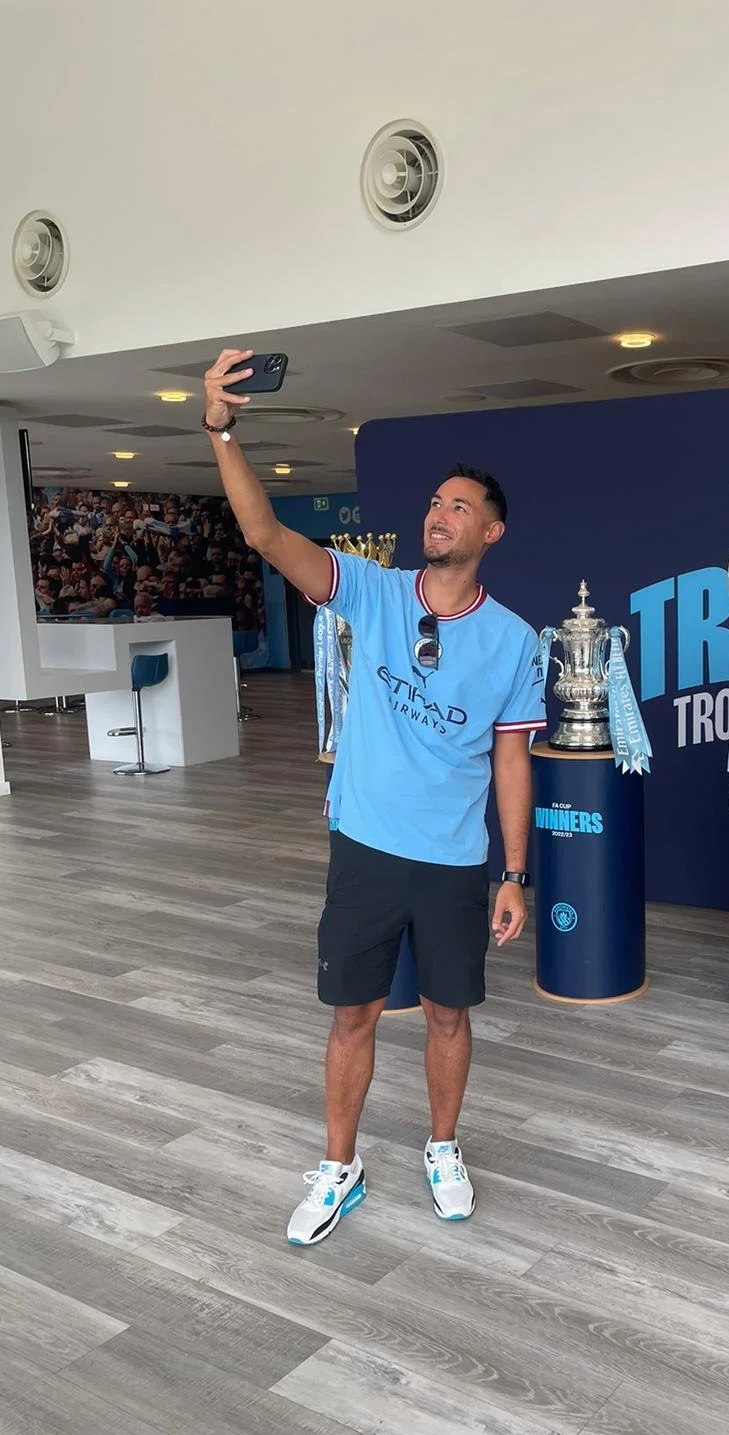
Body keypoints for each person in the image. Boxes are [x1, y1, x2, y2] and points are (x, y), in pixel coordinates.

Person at [202, 348, 545, 1247]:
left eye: (459, 506)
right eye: (435, 502)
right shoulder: (377, 592)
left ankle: (442, 1146)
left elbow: (514, 762)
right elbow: (267, 538)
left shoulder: (513, 642)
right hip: (366, 846)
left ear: (492, 533)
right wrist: (221, 429)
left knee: (446, 1012)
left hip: (452, 860)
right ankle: (340, 1167)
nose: (439, 514)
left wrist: (515, 872)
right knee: (352, 1012)